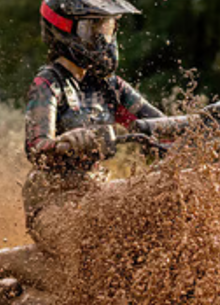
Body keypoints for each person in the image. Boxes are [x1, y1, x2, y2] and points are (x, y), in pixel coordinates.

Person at [21, 0, 164, 245]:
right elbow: (36, 147)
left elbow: (158, 124)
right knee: (94, 240)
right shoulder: (48, 83)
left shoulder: (110, 86)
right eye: (93, 27)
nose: (103, 39)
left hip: (95, 191)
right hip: (51, 202)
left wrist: (204, 124)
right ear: (65, 29)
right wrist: (67, 141)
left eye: (106, 27)